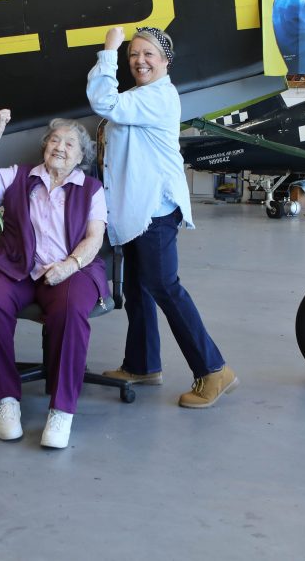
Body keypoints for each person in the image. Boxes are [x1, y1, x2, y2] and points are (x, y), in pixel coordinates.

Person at [86, 26, 237, 409]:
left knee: (164, 286)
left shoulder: (159, 97)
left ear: (166, 62)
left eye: (148, 54)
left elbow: (105, 104)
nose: (139, 60)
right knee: (138, 287)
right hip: (136, 210)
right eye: (132, 53)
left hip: (154, 210)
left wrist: (108, 50)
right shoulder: (140, 95)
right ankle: (142, 364)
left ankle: (214, 369)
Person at [0, 111, 107, 449]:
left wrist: (70, 265)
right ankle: (6, 401)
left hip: (71, 268)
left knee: (72, 310)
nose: (60, 147)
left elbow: (94, 238)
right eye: (55, 140)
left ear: (80, 156)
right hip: (17, 266)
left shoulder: (91, 188)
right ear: (45, 147)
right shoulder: (20, 177)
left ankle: (62, 409)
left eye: (70, 144)